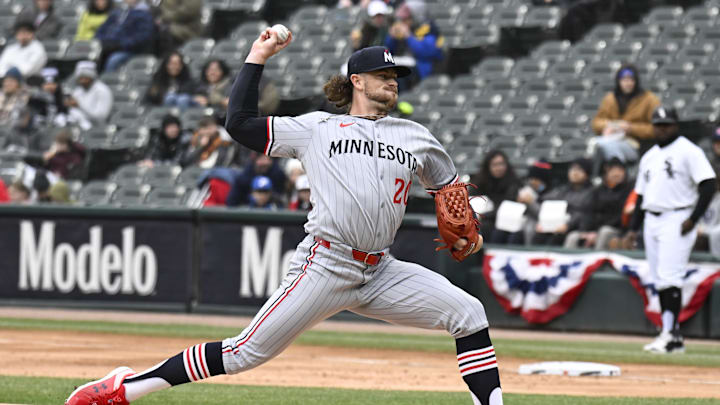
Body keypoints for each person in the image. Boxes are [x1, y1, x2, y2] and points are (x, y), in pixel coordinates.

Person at [65, 34, 501, 405]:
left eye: (396, 78)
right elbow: (238, 123)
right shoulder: (317, 128)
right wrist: (258, 57)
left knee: (468, 312)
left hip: (381, 269)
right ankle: (124, 390)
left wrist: (463, 222)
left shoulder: (416, 136)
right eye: (384, 76)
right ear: (357, 81)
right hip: (325, 264)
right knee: (242, 353)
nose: (393, 82)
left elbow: (448, 188)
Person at [623, 106, 716, 354]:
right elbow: (641, 196)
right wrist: (633, 229)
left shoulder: (688, 150)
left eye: (666, 124)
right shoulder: (649, 156)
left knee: (669, 276)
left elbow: (708, 184)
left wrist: (694, 218)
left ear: (676, 125)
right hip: (652, 219)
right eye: (658, 124)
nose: (662, 129)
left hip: (677, 217)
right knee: (660, 278)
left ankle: (670, 334)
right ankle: (670, 334)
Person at [591, 64, 660, 175]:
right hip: (613, 138)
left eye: (631, 80)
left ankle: (619, 174)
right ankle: (603, 176)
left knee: (608, 146)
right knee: (596, 143)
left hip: (637, 144)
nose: (628, 83)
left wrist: (631, 128)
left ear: (636, 81)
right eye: (624, 80)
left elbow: (657, 128)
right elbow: (596, 122)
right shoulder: (610, 98)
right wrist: (611, 125)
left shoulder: (649, 99)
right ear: (618, 81)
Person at [564, 158, 632, 249]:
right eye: (613, 170)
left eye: (620, 170)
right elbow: (588, 212)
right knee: (573, 236)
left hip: (617, 229)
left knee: (604, 232)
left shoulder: (628, 191)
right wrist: (586, 231)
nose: (616, 174)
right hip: (595, 229)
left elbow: (621, 216)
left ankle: (597, 262)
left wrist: (597, 231)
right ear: (606, 173)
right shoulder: (597, 191)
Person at [532, 158, 593, 246]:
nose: (575, 172)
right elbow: (547, 202)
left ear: (587, 173)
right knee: (538, 236)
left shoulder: (591, 192)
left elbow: (582, 213)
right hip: (555, 224)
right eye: (572, 169)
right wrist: (543, 222)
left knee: (555, 239)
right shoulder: (562, 189)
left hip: (574, 227)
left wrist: (567, 225)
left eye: (579, 169)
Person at [384, 0, 443, 84]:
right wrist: (392, 37)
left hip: (423, 71)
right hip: (403, 66)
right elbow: (389, 51)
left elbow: (426, 53)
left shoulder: (430, 29)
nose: (403, 21)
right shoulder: (405, 27)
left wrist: (408, 36)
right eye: (402, 19)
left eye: (407, 18)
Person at [470, 150, 521, 241]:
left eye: (501, 164)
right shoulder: (480, 181)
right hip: (482, 218)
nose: (499, 168)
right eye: (495, 165)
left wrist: (483, 216)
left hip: (502, 220)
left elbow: (507, 207)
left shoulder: (513, 183)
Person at [95, 0, 154, 73]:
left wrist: (120, 45)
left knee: (113, 60)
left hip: (128, 50)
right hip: (107, 46)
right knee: (90, 55)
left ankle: (108, 82)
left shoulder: (145, 14)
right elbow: (102, 29)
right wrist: (102, 41)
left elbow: (142, 37)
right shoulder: (117, 12)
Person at [65, 61, 113, 130]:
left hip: (98, 129)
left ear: (92, 76)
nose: (82, 80)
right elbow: (74, 114)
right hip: (79, 127)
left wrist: (79, 105)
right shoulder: (77, 91)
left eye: (85, 77)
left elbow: (100, 118)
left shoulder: (102, 90)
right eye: (80, 78)